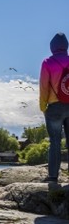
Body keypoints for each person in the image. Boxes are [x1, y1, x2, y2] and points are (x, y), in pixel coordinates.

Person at [39, 32, 69, 182]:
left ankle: (52, 177)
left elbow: (44, 86)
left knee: (55, 142)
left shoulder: (47, 62)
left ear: (52, 47)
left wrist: (42, 105)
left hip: (54, 107)